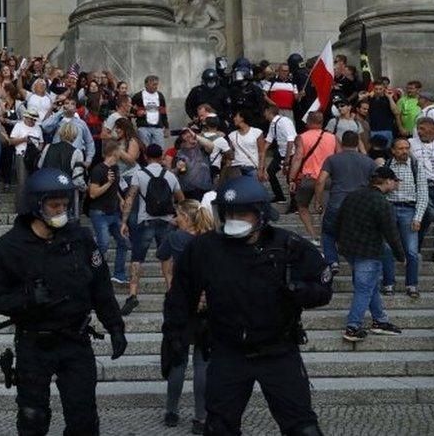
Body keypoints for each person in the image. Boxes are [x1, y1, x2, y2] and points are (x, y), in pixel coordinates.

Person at [162, 175, 332, 436]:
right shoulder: (204, 249)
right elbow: (180, 296)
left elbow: (322, 289)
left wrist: (298, 291)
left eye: (242, 213)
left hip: (279, 351)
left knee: (304, 428)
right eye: (229, 213)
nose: (234, 219)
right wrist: (174, 335)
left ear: (261, 214)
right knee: (219, 427)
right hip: (228, 352)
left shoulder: (288, 245)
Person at [0, 168, 127, 436]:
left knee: (84, 417)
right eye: (54, 205)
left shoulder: (80, 238)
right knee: (32, 417)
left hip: (76, 341)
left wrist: (115, 326)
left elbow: (101, 286)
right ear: (36, 206)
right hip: (34, 344)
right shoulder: (6, 249)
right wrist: (25, 298)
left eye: (65, 204)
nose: (61, 210)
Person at [156, 199, 215, 434]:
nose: (175, 218)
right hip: (205, 306)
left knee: (177, 358)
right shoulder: (211, 240)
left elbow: (164, 260)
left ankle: (172, 410)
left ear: (186, 217)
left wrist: (170, 283)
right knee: (202, 363)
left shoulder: (174, 238)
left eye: (178, 215)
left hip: (179, 304)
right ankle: (201, 416)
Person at [335, 167, 407, 342]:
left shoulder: (353, 195)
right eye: (394, 181)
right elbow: (391, 233)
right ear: (387, 181)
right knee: (365, 288)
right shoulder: (383, 203)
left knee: (370, 285)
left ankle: (380, 321)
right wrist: (401, 256)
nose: (395, 184)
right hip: (369, 251)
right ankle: (353, 327)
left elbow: (338, 220)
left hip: (349, 249)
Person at [120, 143, 185, 316]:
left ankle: (133, 295)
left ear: (146, 156)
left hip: (145, 221)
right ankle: (171, 291)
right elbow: (181, 199)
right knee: (166, 258)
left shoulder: (139, 174)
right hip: (166, 222)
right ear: (162, 156)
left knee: (137, 258)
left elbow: (130, 198)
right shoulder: (170, 176)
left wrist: (124, 221)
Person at [315, 131, 377, 271]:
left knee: (328, 233)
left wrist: (318, 202)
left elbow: (320, 181)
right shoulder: (368, 161)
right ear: (357, 143)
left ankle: (332, 261)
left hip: (337, 202)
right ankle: (358, 262)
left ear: (342, 143)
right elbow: (377, 182)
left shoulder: (332, 159)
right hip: (360, 205)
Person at [381, 138, 427, 298]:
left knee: (412, 251)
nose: (404, 151)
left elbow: (423, 193)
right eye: (400, 148)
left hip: (409, 209)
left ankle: (412, 285)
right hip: (389, 208)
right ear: (393, 150)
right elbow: (378, 191)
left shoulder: (416, 166)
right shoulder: (385, 166)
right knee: (386, 248)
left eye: (407, 148)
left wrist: (418, 217)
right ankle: (388, 284)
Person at [288, 111, 338, 244]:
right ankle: (326, 236)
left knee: (302, 206)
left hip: (308, 178)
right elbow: (338, 156)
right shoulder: (332, 137)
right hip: (327, 177)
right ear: (322, 122)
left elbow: (298, 158)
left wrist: (292, 178)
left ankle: (313, 235)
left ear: (308, 122)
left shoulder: (302, 137)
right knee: (325, 208)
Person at [87, 140, 129, 285]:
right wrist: (108, 183)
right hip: (100, 213)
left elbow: (116, 186)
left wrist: (120, 199)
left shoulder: (116, 168)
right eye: (120, 151)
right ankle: (92, 273)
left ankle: (118, 274)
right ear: (114, 152)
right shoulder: (98, 170)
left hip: (114, 212)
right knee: (103, 244)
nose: (122, 153)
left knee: (124, 242)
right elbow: (92, 193)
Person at [411, 117, 434, 263]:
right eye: (419, 128)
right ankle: (415, 246)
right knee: (430, 212)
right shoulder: (410, 144)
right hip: (419, 186)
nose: (420, 131)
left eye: (423, 128)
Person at [265, 105, 297, 203]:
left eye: (265, 112)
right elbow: (268, 141)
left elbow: (290, 141)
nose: (264, 115)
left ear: (268, 112)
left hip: (290, 154)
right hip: (281, 152)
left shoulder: (284, 122)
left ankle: (295, 204)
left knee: (290, 178)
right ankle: (279, 196)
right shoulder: (273, 124)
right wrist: (260, 153)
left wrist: (286, 160)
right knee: (270, 171)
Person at [226, 109, 266, 180]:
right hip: (236, 168)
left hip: (252, 167)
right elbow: (230, 155)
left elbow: (261, 152)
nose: (234, 118)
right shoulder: (232, 135)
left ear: (242, 118)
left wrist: (261, 170)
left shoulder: (257, 132)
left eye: (236, 116)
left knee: (253, 189)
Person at [132, 75, 169, 147]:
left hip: (158, 128)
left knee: (159, 150)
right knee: (145, 149)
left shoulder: (160, 95)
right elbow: (128, 107)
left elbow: (163, 112)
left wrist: (167, 127)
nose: (156, 87)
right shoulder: (138, 96)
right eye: (153, 84)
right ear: (146, 84)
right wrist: (136, 113)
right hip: (144, 127)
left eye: (157, 84)